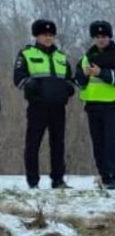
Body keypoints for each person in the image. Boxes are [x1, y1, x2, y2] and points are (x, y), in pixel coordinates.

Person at [12, 19, 75, 190]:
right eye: (44, 35)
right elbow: (18, 78)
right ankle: (33, 181)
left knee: (58, 144)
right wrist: (30, 85)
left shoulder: (61, 56)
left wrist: (68, 88)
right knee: (33, 144)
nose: (48, 38)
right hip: (37, 106)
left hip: (58, 107)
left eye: (50, 35)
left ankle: (58, 180)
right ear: (36, 36)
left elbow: (70, 79)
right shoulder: (26, 54)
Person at [76, 20, 115, 190]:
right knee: (98, 143)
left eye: (104, 36)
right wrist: (84, 75)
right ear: (93, 38)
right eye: (97, 37)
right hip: (92, 105)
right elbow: (78, 81)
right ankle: (105, 177)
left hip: (112, 103)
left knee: (111, 141)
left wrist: (102, 73)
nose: (101, 40)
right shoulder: (87, 57)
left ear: (109, 37)